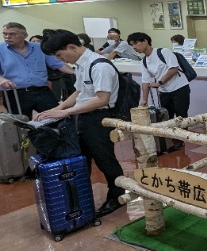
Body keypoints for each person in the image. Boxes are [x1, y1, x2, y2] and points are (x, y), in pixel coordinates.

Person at [37, 30, 125, 217]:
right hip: (84, 116)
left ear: (71, 47)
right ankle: (81, 199)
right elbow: (79, 92)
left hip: (100, 117)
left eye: (60, 55)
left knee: (105, 159)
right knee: (83, 158)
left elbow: (101, 99)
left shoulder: (100, 65)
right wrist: (58, 109)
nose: (61, 60)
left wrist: (66, 111)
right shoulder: (82, 64)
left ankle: (117, 195)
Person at [128, 32, 190, 152]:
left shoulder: (163, 52)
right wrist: (144, 99)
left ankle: (180, 140)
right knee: (166, 116)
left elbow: (173, 69)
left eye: (135, 43)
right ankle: (169, 141)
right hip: (164, 91)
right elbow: (145, 81)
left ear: (145, 41)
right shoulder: (144, 62)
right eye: (132, 45)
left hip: (180, 88)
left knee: (181, 114)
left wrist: (160, 82)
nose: (134, 47)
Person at [0, 22, 75, 118]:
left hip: (42, 91)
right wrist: (2, 80)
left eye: (12, 34)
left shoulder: (39, 47)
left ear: (24, 35)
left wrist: (75, 72)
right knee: (21, 125)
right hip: (15, 93)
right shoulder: (1, 50)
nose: (7, 37)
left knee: (56, 118)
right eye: (4, 34)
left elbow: (58, 65)